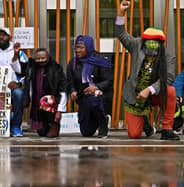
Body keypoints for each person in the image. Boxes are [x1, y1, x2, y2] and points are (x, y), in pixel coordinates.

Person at [115, 0, 180, 140]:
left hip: (154, 94)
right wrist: (121, 12)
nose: (152, 44)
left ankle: (167, 129)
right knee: (134, 134)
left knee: (171, 91)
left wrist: (149, 90)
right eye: (149, 41)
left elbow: (168, 78)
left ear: (161, 43)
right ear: (143, 41)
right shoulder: (136, 45)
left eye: (156, 42)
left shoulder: (168, 56)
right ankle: (144, 122)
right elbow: (121, 34)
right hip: (135, 95)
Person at [67, 35, 113, 138]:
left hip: (100, 96)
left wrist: (96, 87)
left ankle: (103, 122)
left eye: (81, 48)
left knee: (93, 100)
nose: (77, 50)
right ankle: (97, 120)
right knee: (86, 132)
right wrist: (73, 91)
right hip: (83, 97)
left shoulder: (101, 60)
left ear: (88, 47)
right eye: (76, 47)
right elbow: (70, 81)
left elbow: (109, 80)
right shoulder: (73, 62)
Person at [22, 48, 67, 137]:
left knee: (46, 100)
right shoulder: (31, 68)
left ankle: (54, 125)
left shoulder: (56, 68)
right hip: (37, 104)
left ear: (48, 57)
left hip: (51, 104)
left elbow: (63, 90)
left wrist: (59, 111)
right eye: (38, 58)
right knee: (42, 133)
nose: (40, 60)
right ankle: (43, 125)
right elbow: (18, 69)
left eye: (43, 58)